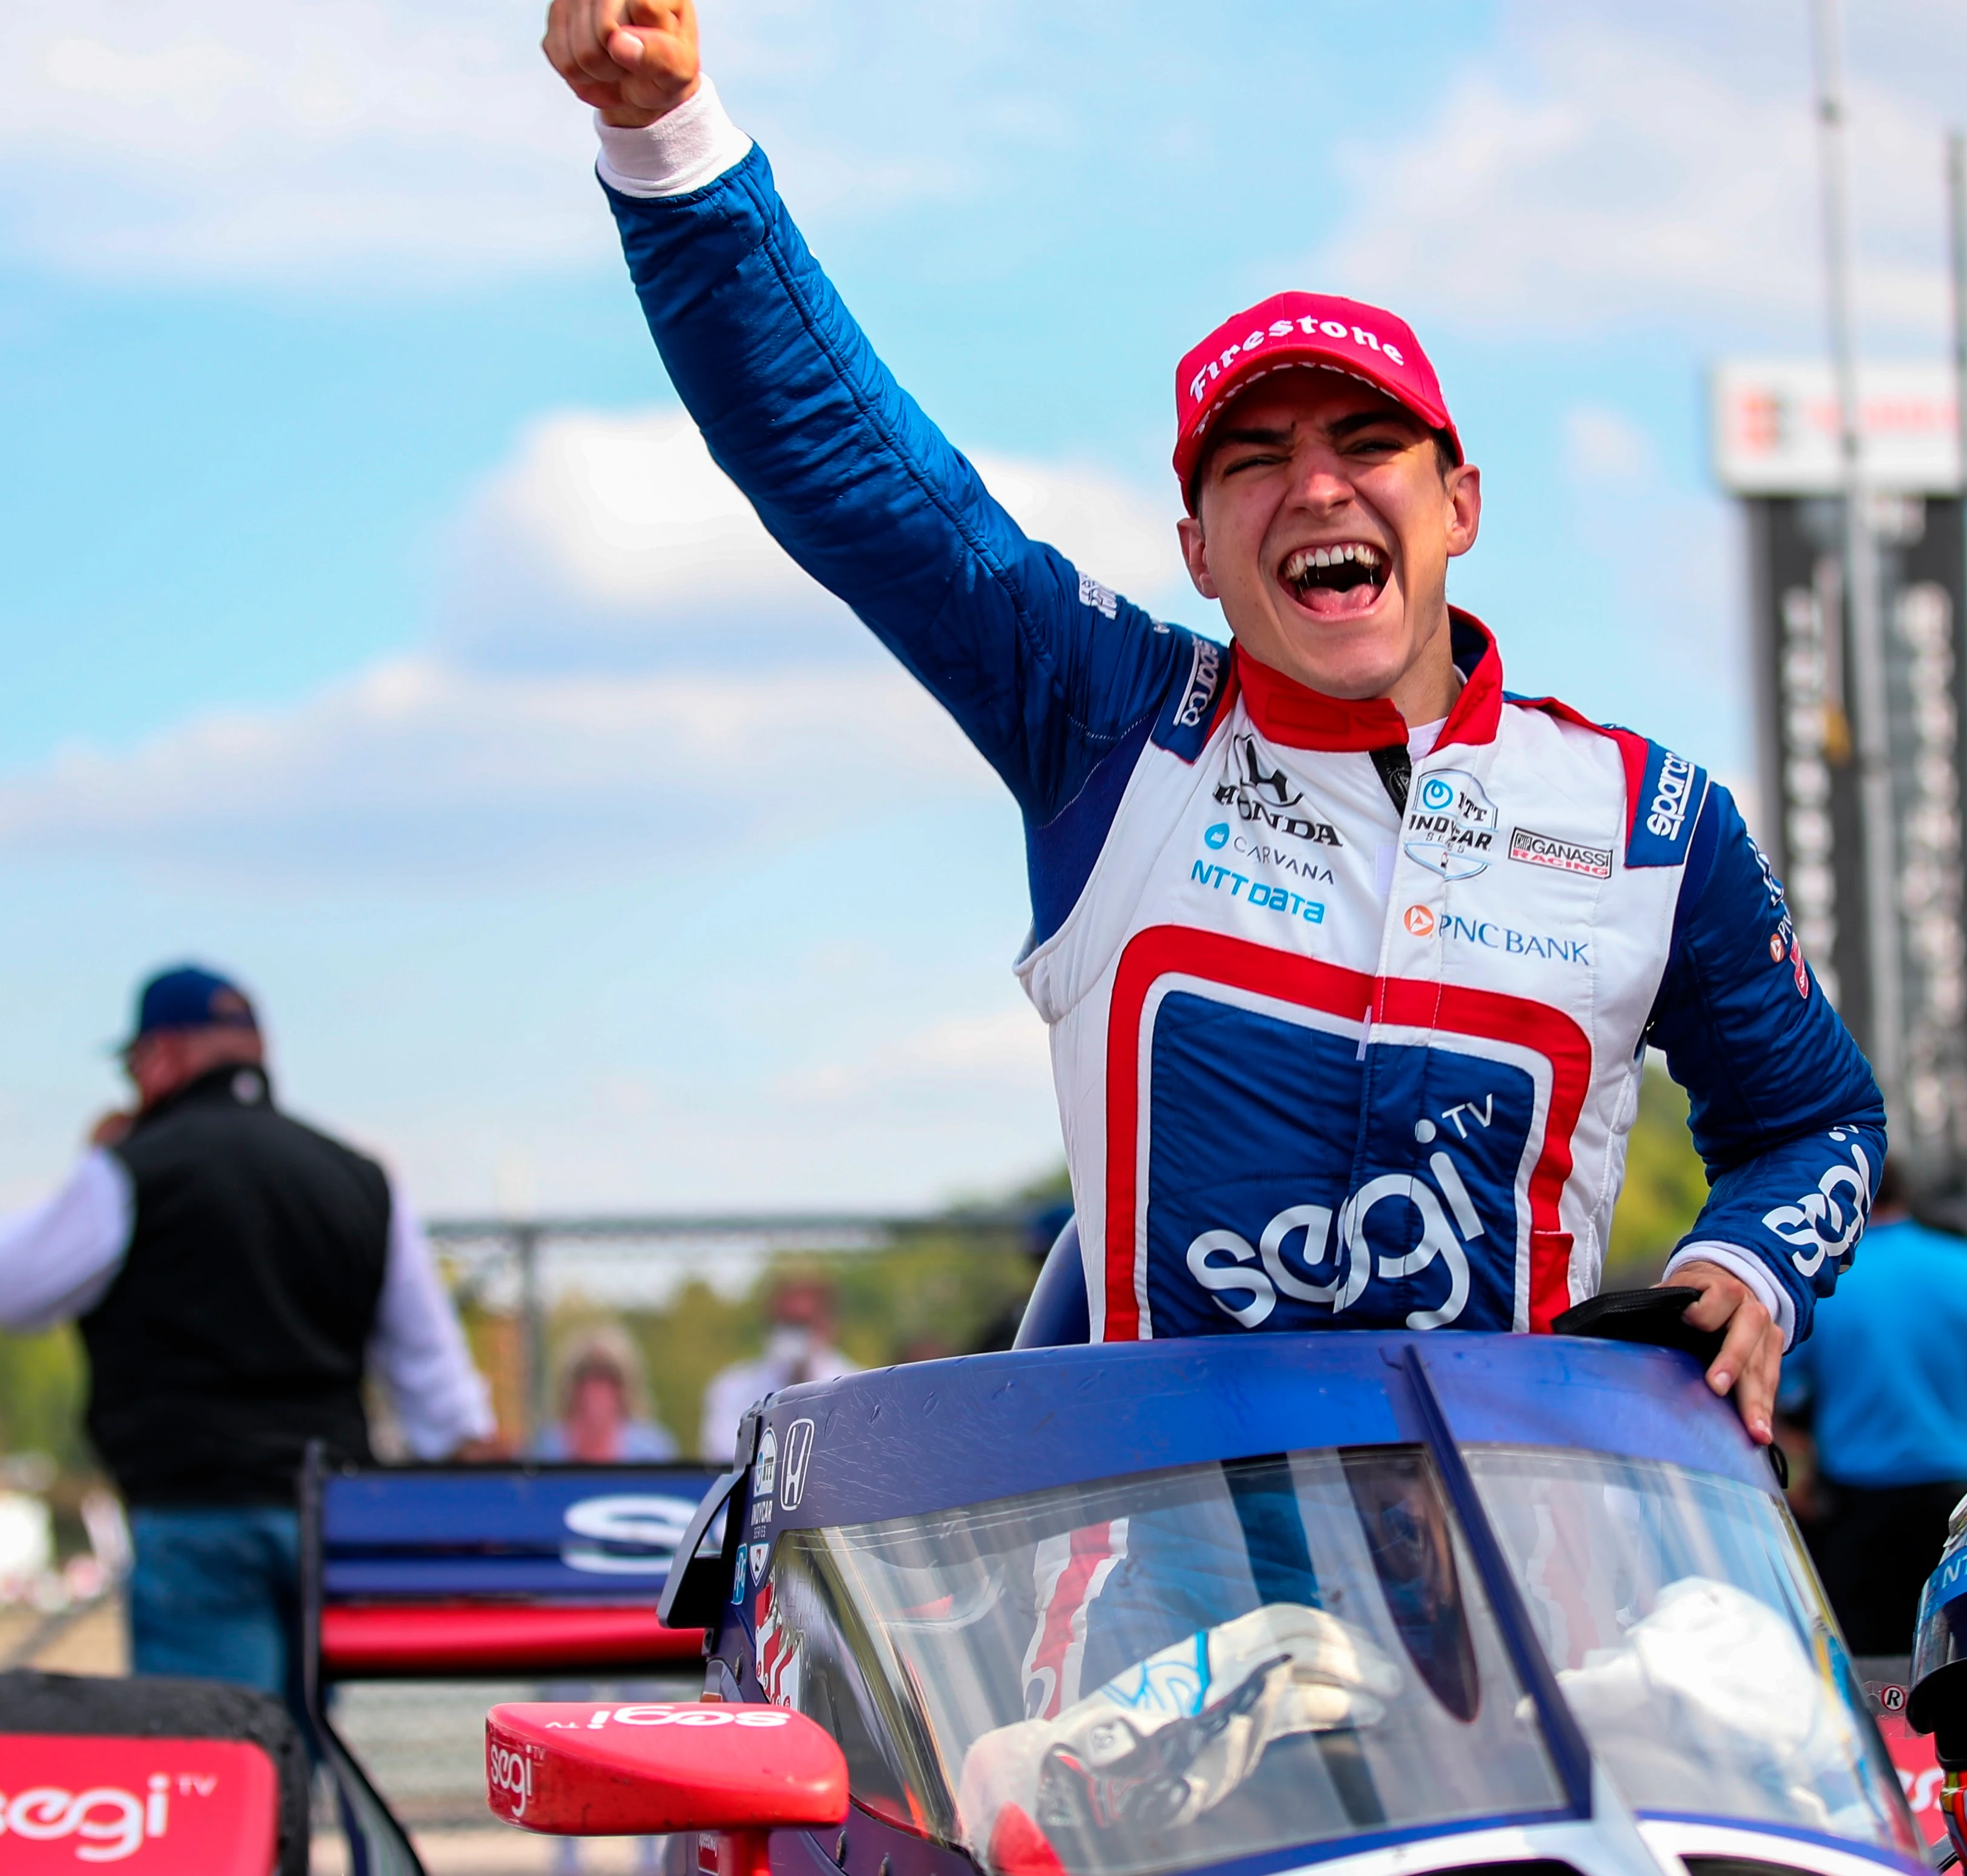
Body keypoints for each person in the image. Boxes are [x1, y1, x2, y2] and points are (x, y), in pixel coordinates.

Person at [539, 0, 1884, 1444]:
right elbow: (848, 468)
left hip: (1514, 1590)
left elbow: (1814, 1123)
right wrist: (665, 132)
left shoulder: (1646, 822)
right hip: (1165, 1603)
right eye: (1255, 461)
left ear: (1459, 505)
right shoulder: (1110, 722)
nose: (1314, 488)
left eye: (1365, 444)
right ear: (1195, 549)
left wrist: (1744, 1259)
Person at [0, 964, 499, 1707]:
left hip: (197, 1508)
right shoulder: (356, 1176)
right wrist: (475, 1466)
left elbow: (10, 1287)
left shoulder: (133, 1172)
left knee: (213, 1761)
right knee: (300, 1762)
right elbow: (432, 1372)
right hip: (330, 1513)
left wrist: (95, 1160)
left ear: (161, 1056)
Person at [1776, 1173, 1967, 1655]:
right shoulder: (1966, 1266)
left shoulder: (1823, 1280)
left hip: (1854, 1515)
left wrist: (1797, 1455)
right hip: (1953, 1508)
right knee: (1954, 1664)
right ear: (1904, 1194)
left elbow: (1761, 1384)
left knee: (1866, 1674)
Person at [697, 1273, 860, 1458]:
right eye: (785, 1323)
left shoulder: (856, 1388)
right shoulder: (731, 1388)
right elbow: (723, 1455)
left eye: (802, 1323)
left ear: (828, 1325)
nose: (792, 1333)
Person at [530, 1324, 681, 1463]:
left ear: (625, 1388)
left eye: (607, 1379)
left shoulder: (652, 1450)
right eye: (585, 1379)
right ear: (569, 1389)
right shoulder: (544, 1450)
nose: (595, 1392)